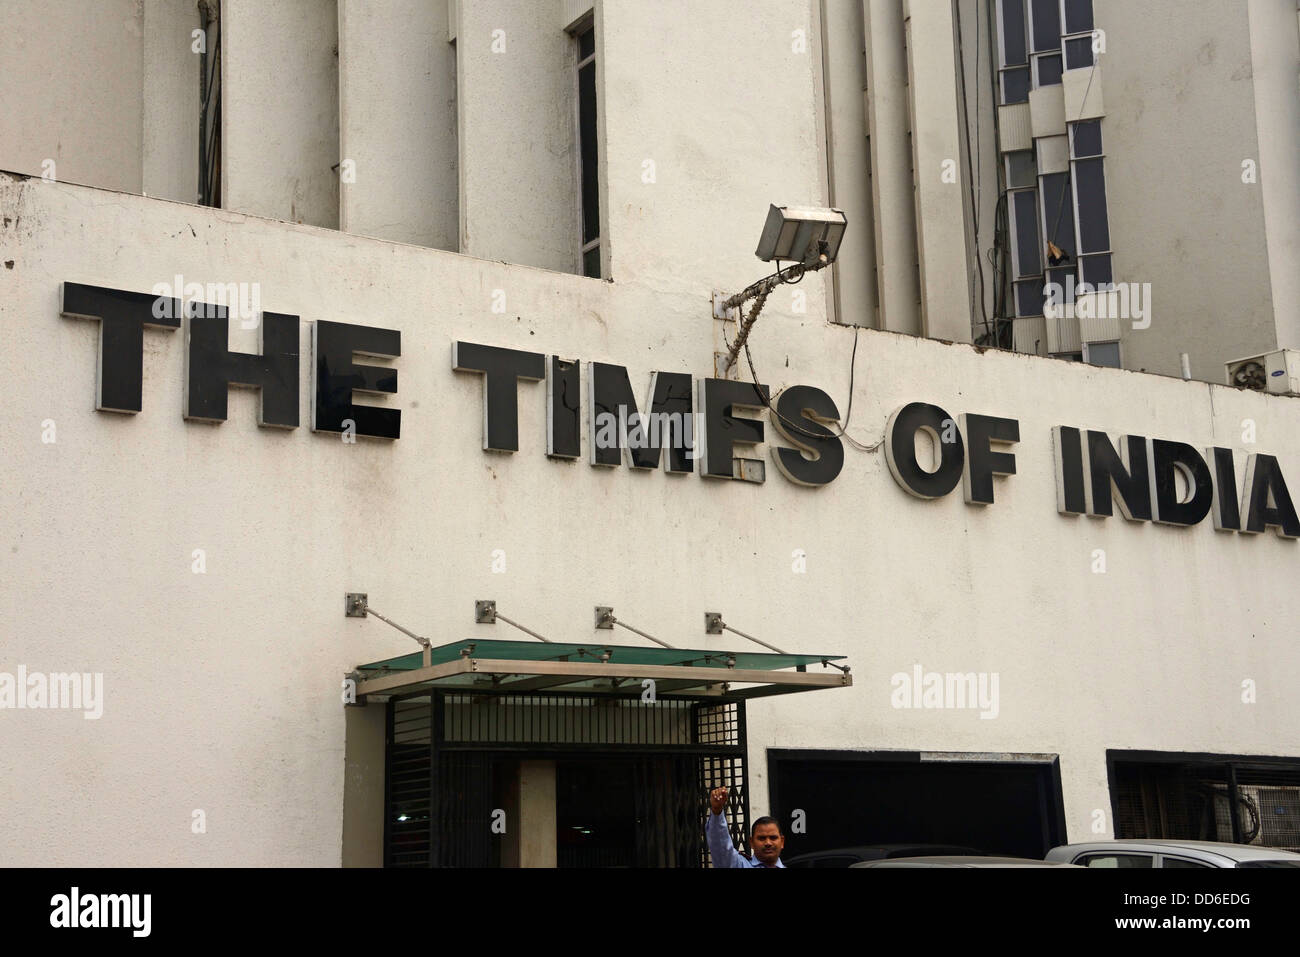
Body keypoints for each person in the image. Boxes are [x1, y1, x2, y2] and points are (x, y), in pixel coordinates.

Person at [706, 786, 785, 868]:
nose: (768, 843)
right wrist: (717, 811)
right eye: (762, 838)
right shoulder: (739, 865)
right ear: (751, 842)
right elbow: (722, 848)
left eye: (773, 838)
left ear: (782, 842)